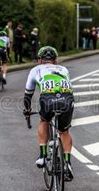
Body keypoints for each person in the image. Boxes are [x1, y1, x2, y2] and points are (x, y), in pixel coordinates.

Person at [23, 46, 74, 181]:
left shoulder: (35, 70)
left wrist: (27, 110)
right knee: (64, 131)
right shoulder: (64, 69)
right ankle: (67, 163)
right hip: (67, 99)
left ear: (40, 60)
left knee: (44, 120)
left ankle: (42, 156)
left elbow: (28, 95)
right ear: (55, 60)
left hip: (48, 99)